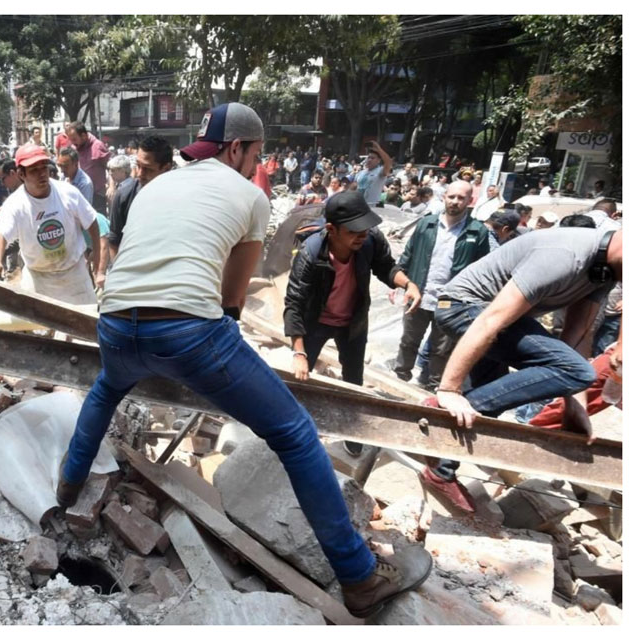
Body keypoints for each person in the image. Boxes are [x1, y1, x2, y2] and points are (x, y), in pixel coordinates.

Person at [59, 103, 432, 618]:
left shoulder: (154, 185)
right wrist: (205, 360)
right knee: (296, 435)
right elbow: (231, 303)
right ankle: (359, 575)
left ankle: (68, 484)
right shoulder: (251, 196)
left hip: (117, 326)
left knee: (105, 390)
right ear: (236, 148)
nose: (257, 162)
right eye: (255, 153)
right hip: (188, 331)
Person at [434, 227, 621, 469]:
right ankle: (441, 413)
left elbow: (577, 337)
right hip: (464, 308)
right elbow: (490, 320)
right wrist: (449, 390)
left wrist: (576, 407)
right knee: (578, 371)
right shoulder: (564, 255)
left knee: (493, 400)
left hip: (496, 320)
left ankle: (441, 470)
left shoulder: (604, 273)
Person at [285, 190, 421, 389]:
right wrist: (298, 353)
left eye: (365, 228)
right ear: (332, 229)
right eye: (353, 231)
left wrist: (409, 285)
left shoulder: (371, 240)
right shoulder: (310, 254)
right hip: (315, 322)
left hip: (353, 323)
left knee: (354, 380)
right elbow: (294, 304)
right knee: (302, 378)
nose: (362, 235)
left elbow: (386, 267)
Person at [392, 181, 490, 391]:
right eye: (452, 196)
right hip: (418, 294)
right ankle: (398, 381)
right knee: (409, 341)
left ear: (469, 201)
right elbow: (408, 254)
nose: (455, 202)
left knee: (442, 349)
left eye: (461, 198)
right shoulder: (426, 224)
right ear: (444, 196)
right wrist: (398, 283)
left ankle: (435, 388)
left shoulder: (477, 231)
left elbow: (483, 268)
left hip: (450, 302)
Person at [0, 144, 101, 306]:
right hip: (38, 277)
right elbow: (0, 235)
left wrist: (97, 254)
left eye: (43, 168)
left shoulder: (68, 193)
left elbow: (92, 222)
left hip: (74, 273)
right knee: (35, 327)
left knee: (87, 323)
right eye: (33, 170)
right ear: (21, 174)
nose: (41, 175)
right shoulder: (15, 204)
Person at [105, 136, 174, 265]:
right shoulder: (124, 195)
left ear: (166, 168)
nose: (140, 174)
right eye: (138, 166)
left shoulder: (179, 199)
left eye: (148, 169)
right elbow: (114, 242)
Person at [64, 121, 111, 213]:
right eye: (70, 140)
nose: (72, 143)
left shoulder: (98, 146)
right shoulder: (74, 148)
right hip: (79, 193)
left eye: (74, 139)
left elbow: (109, 168)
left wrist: (111, 186)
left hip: (97, 195)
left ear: (84, 136)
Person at [356, 141, 393, 205]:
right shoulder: (361, 173)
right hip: (359, 205)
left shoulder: (380, 171)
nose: (369, 160)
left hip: (372, 206)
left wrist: (379, 149)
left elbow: (388, 162)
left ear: (378, 160)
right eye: (368, 157)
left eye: (372, 158)